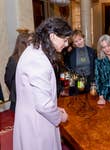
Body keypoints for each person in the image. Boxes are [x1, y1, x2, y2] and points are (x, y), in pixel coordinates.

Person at [13, 17, 72, 150]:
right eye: (65, 39)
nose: (67, 44)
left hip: (32, 118)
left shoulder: (34, 50)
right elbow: (43, 105)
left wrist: (55, 109)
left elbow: (38, 96)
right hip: (37, 124)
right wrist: (60, 116)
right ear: (52, 36)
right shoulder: (38, 60)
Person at [4, 32, 32, 111]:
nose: (32, 44)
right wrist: (15, 89)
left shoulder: (31, 57)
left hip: (30, 98)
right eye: (29, 42)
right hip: (17, 99)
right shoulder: (13, 59)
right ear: (23, 43)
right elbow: (7, 79)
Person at [69, 29, 96, 95]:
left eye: (80, 39)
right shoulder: (71, 53)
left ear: (83, 38)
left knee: (90, 98)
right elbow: (70, 69)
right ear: (73, 43)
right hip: (78, 80)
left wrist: (94, 82)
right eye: (76, 41)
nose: (79, 42)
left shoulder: (91, 51)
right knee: (79, 97)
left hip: (90, 79)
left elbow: (94, 67)